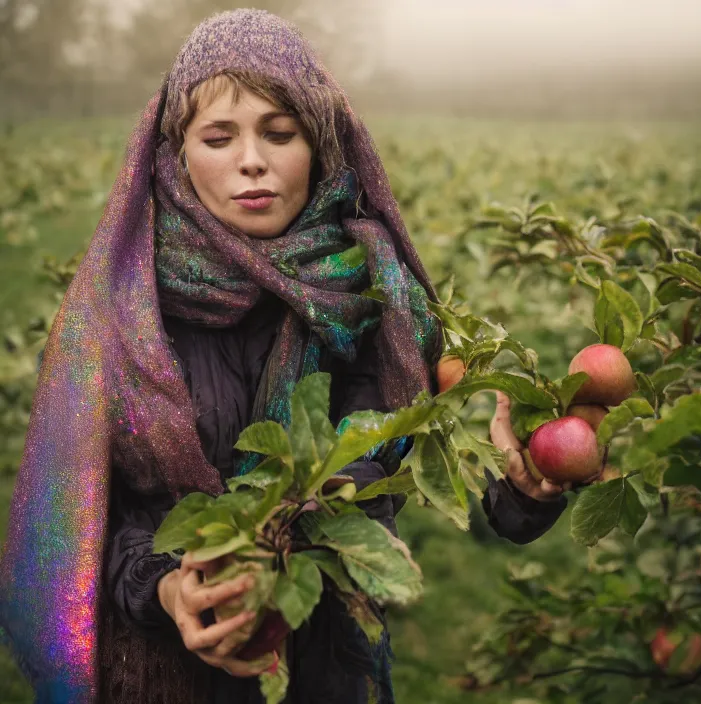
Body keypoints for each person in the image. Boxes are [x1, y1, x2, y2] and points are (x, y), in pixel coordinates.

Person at [0, 10, 576, 704]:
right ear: (175, 156)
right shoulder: (124, 314)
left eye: (281, 132)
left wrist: (523, 489)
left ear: (322, 144)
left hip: (323, 665)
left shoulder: (372, 300)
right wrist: (168, 588)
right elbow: (87, 521)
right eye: (218, 136)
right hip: (159, 670)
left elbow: (424, 479)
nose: (252, 159)